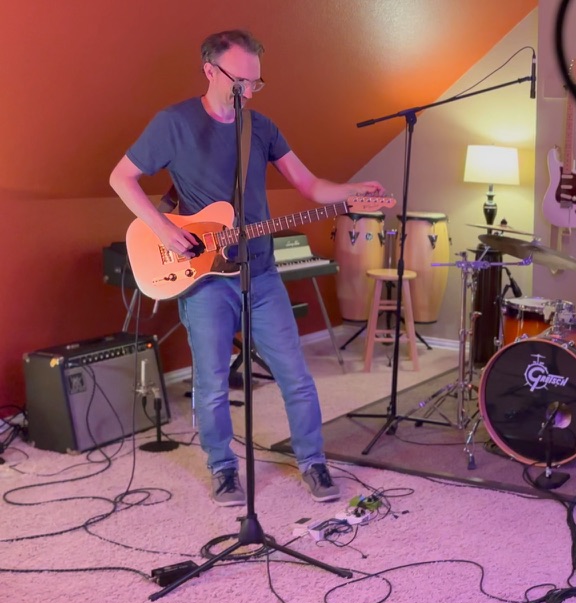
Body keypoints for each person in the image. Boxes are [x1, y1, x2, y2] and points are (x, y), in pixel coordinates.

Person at [109, 29, 384, 506]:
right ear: (210, 71)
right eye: (242, 82)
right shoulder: (174, 123)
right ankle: (222, 468)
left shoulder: (261, 127)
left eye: (257, 82)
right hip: (206, 278)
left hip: (261, 270)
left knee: (295, 375)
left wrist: (352, 191)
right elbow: (122, 177)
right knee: (212, 383)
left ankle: (313, 461)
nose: (250, 92)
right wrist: (163, 229)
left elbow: (311, 186)